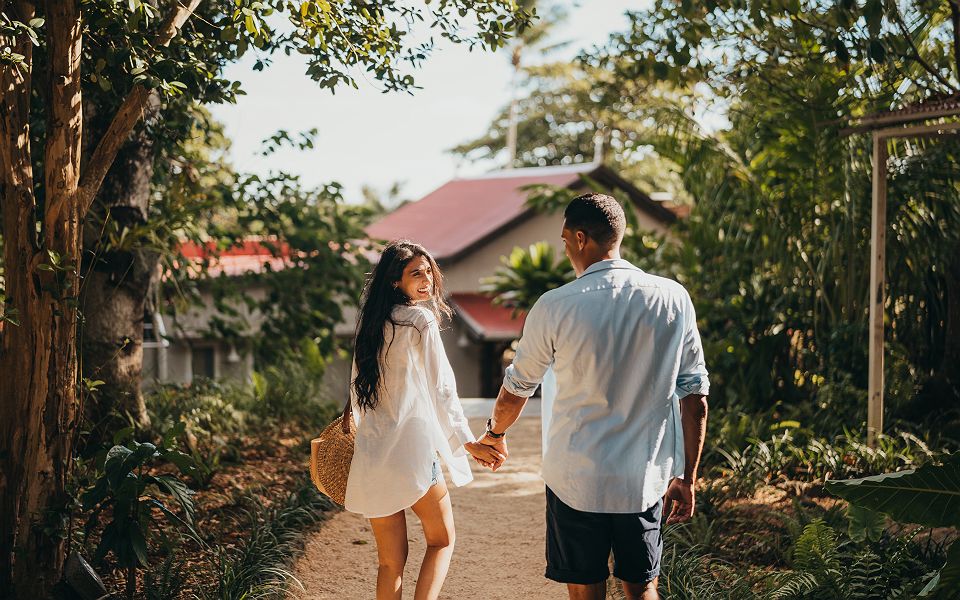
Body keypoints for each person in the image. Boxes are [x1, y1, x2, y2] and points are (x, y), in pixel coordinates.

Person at [478, 193, 710, 600]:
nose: (565, 248)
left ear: (581, 238)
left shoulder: (554, 306)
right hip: (643, 480)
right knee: (642, 590)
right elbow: (695, 397)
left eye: (565, 239)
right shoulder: (674, 298)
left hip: (576, 479)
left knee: (586, 593)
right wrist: (687, 478)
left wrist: (494, 435)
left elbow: (517, 388)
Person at [343, 240, 504, 600]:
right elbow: (442, 388)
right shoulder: (420, 320)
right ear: (394, 282)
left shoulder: (371, 325)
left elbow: (357, 394)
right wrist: (467, 440)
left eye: (429, 270)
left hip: (373, 455)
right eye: (416, 273)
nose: (427, 278)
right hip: (411, 453)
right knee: (442, 539)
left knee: (390, 563)